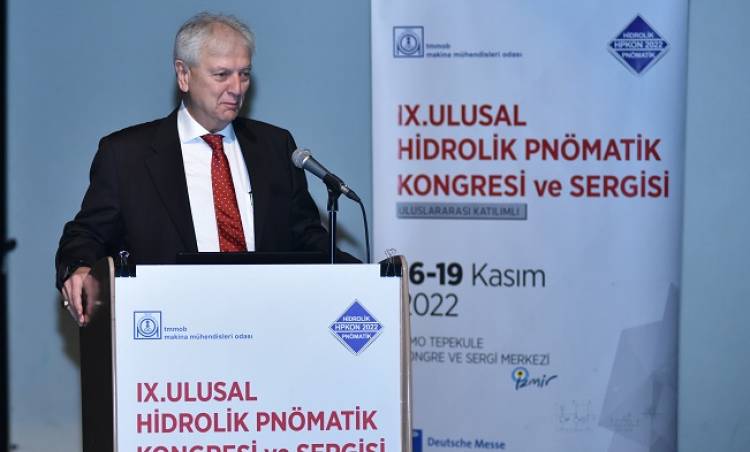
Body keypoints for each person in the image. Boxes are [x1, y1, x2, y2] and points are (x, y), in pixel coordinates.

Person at [56, 12, 354, 325]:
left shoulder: (275, 147)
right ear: (183, 75)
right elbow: (86, 234)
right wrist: (79, 267)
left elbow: (306, 237)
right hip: (171, 329)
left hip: (266, 324)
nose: (237, 88)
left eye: (244, 74)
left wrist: (365, 276)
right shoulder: (126, 155)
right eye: (222, 74)